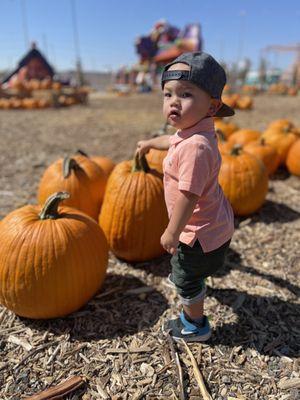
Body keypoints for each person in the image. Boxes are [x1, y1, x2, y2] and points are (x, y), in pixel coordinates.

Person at [135, 52, 235, 342]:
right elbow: (172, 140)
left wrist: (170, 232)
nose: (173, 102)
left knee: (186, 278)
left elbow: (188, 197)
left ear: (212, 106)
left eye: (186, 94)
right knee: (191, 270)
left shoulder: (196, 148)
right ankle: (195, 282)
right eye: (168, 94)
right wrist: (151, 143)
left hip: (198, 235)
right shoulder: (191, 132)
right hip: (211, 226)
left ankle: (196, 324)